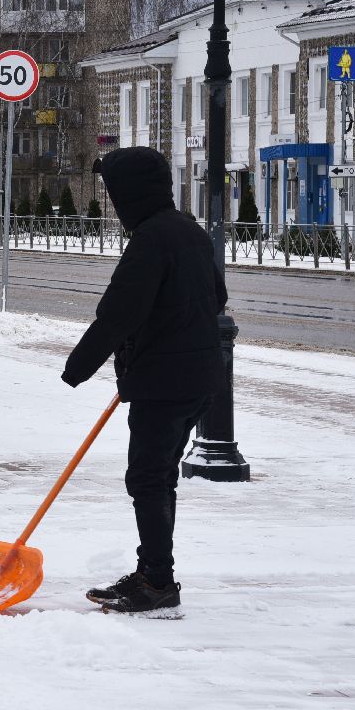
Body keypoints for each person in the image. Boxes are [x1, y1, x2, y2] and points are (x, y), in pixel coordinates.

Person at [61, 146, 227, 615]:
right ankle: (154, 570)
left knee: (148, 480)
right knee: (157, 478)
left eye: (113, 192)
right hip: (196, 379)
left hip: (164, 382)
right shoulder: (188, 232)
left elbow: (117, 315)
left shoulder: (151, 239)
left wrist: (77, 369)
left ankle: (156, 582)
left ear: (129, 193)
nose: (111, 202)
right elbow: (216, 295)